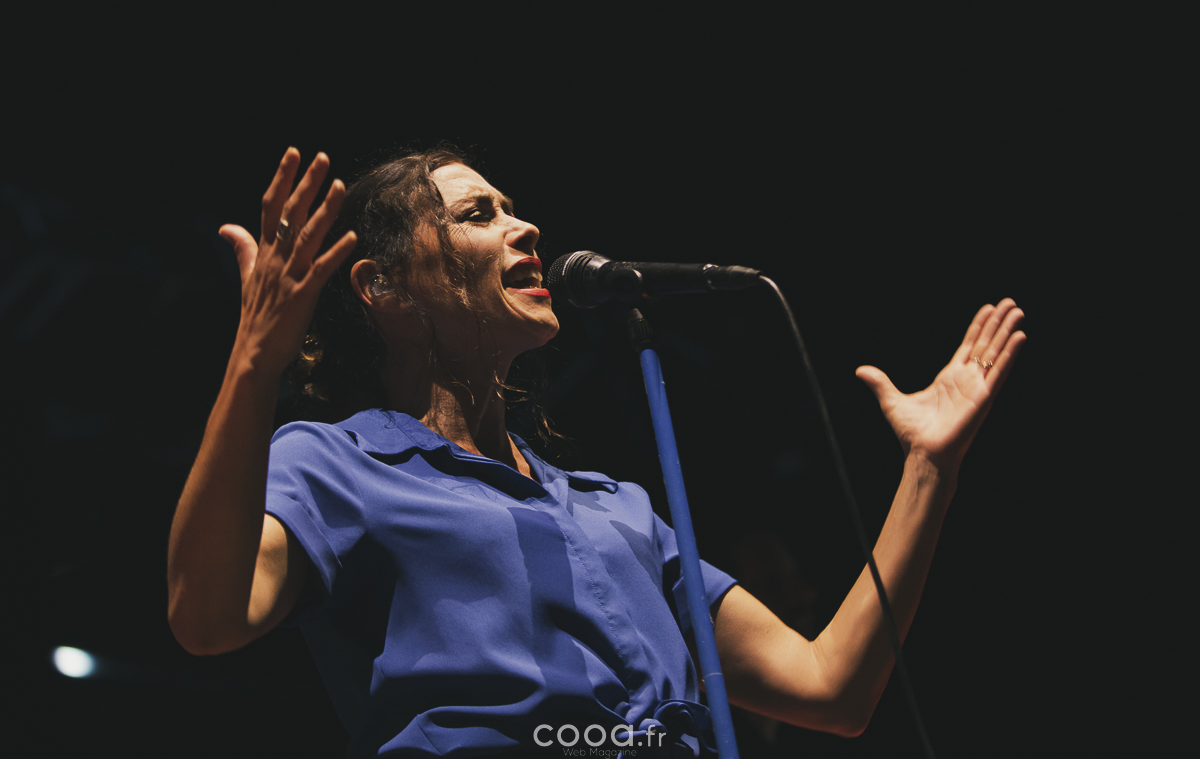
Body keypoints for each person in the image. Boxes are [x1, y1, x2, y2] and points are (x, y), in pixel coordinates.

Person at [167, 146, 1026, 757]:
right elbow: (207, 617)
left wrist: (929, 470)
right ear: (383, 286)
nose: (526, 225)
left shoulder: (617, 510)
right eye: (478, 214)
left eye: (511, 206)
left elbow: (831, 688)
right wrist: (254, 364)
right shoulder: (337, 463)